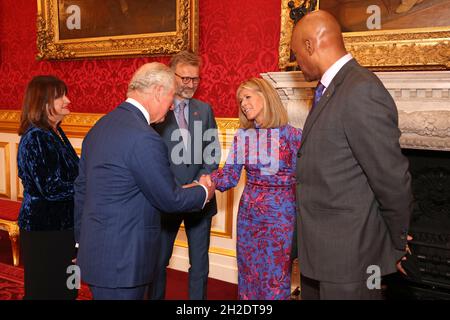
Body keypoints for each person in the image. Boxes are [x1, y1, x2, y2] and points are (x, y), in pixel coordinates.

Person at [290, 10, 413, 299]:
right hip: (320, 255)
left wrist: (395, 244)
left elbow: (391, 179)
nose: (298, 63)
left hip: (352, 260)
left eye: (297, 54)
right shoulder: (329, 90)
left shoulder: (361, 90)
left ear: (310, 46)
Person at [74, 62, 215, 300]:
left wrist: (81, 241)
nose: (171, 106)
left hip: (96, 254)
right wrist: (203, 191)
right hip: (125, 262)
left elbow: (80, 190)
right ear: (158, 91)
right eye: (171, 97)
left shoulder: (100, 127)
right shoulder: (144, 137)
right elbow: (169, 199)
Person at [209, 78, 302, 300]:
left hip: (280, 218)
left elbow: (307, 179)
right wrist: (205, 182)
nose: (243, 104)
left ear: (266, 96)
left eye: (248, 97)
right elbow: (229, 176)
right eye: (240, 100)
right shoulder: (243, 136)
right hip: (248, 217)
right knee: (248, 275)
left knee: (275, 277)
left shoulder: (293, 136)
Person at [151, 51, 221, 300]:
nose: (191, 84)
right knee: (158, 263)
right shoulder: (158, 109)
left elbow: (212, 151)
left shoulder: (204, 110)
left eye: (196, 79)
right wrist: (171, 188)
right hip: (166, 199)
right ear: (172, 76)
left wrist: (200, 181)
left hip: (199, 199)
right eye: (186, 78)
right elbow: (151, 155)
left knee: (200, 265)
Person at [17, 75, 79, 300]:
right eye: (60, 96)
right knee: (47, 291)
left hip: (64, 227)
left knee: (69, 286)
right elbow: (50, 189)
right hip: (45, 230)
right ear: (43, 103)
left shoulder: (55, 132)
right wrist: (87, 186)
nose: (68, 100)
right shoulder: (36, 137)